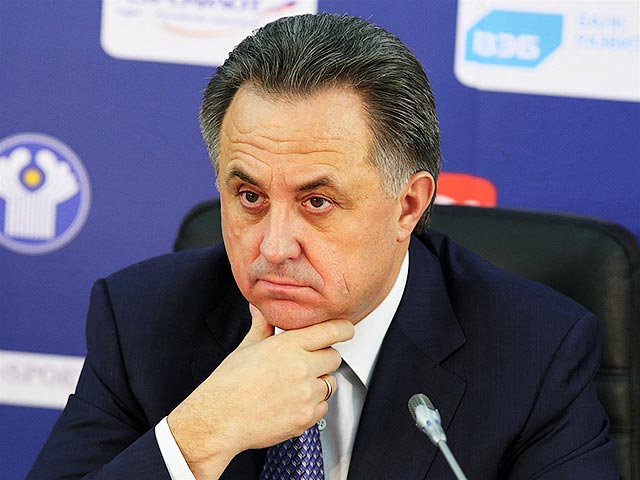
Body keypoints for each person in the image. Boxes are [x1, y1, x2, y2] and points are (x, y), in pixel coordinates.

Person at [28, 13, 618, 480]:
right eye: (250, 196)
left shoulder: (533, 351)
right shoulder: (142, 319)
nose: (274, 246)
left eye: (317, 202)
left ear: (408, 206)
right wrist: (202, 434)